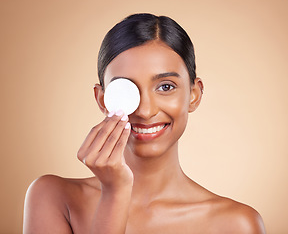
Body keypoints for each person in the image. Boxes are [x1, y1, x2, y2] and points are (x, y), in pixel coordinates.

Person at [23, 13, 266, 234]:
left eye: (166, 87)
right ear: (102, 99)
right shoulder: (53, 198)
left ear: (194, 95)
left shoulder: (237, 224)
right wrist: (115, 193)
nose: (145, 111)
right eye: (126, 90)